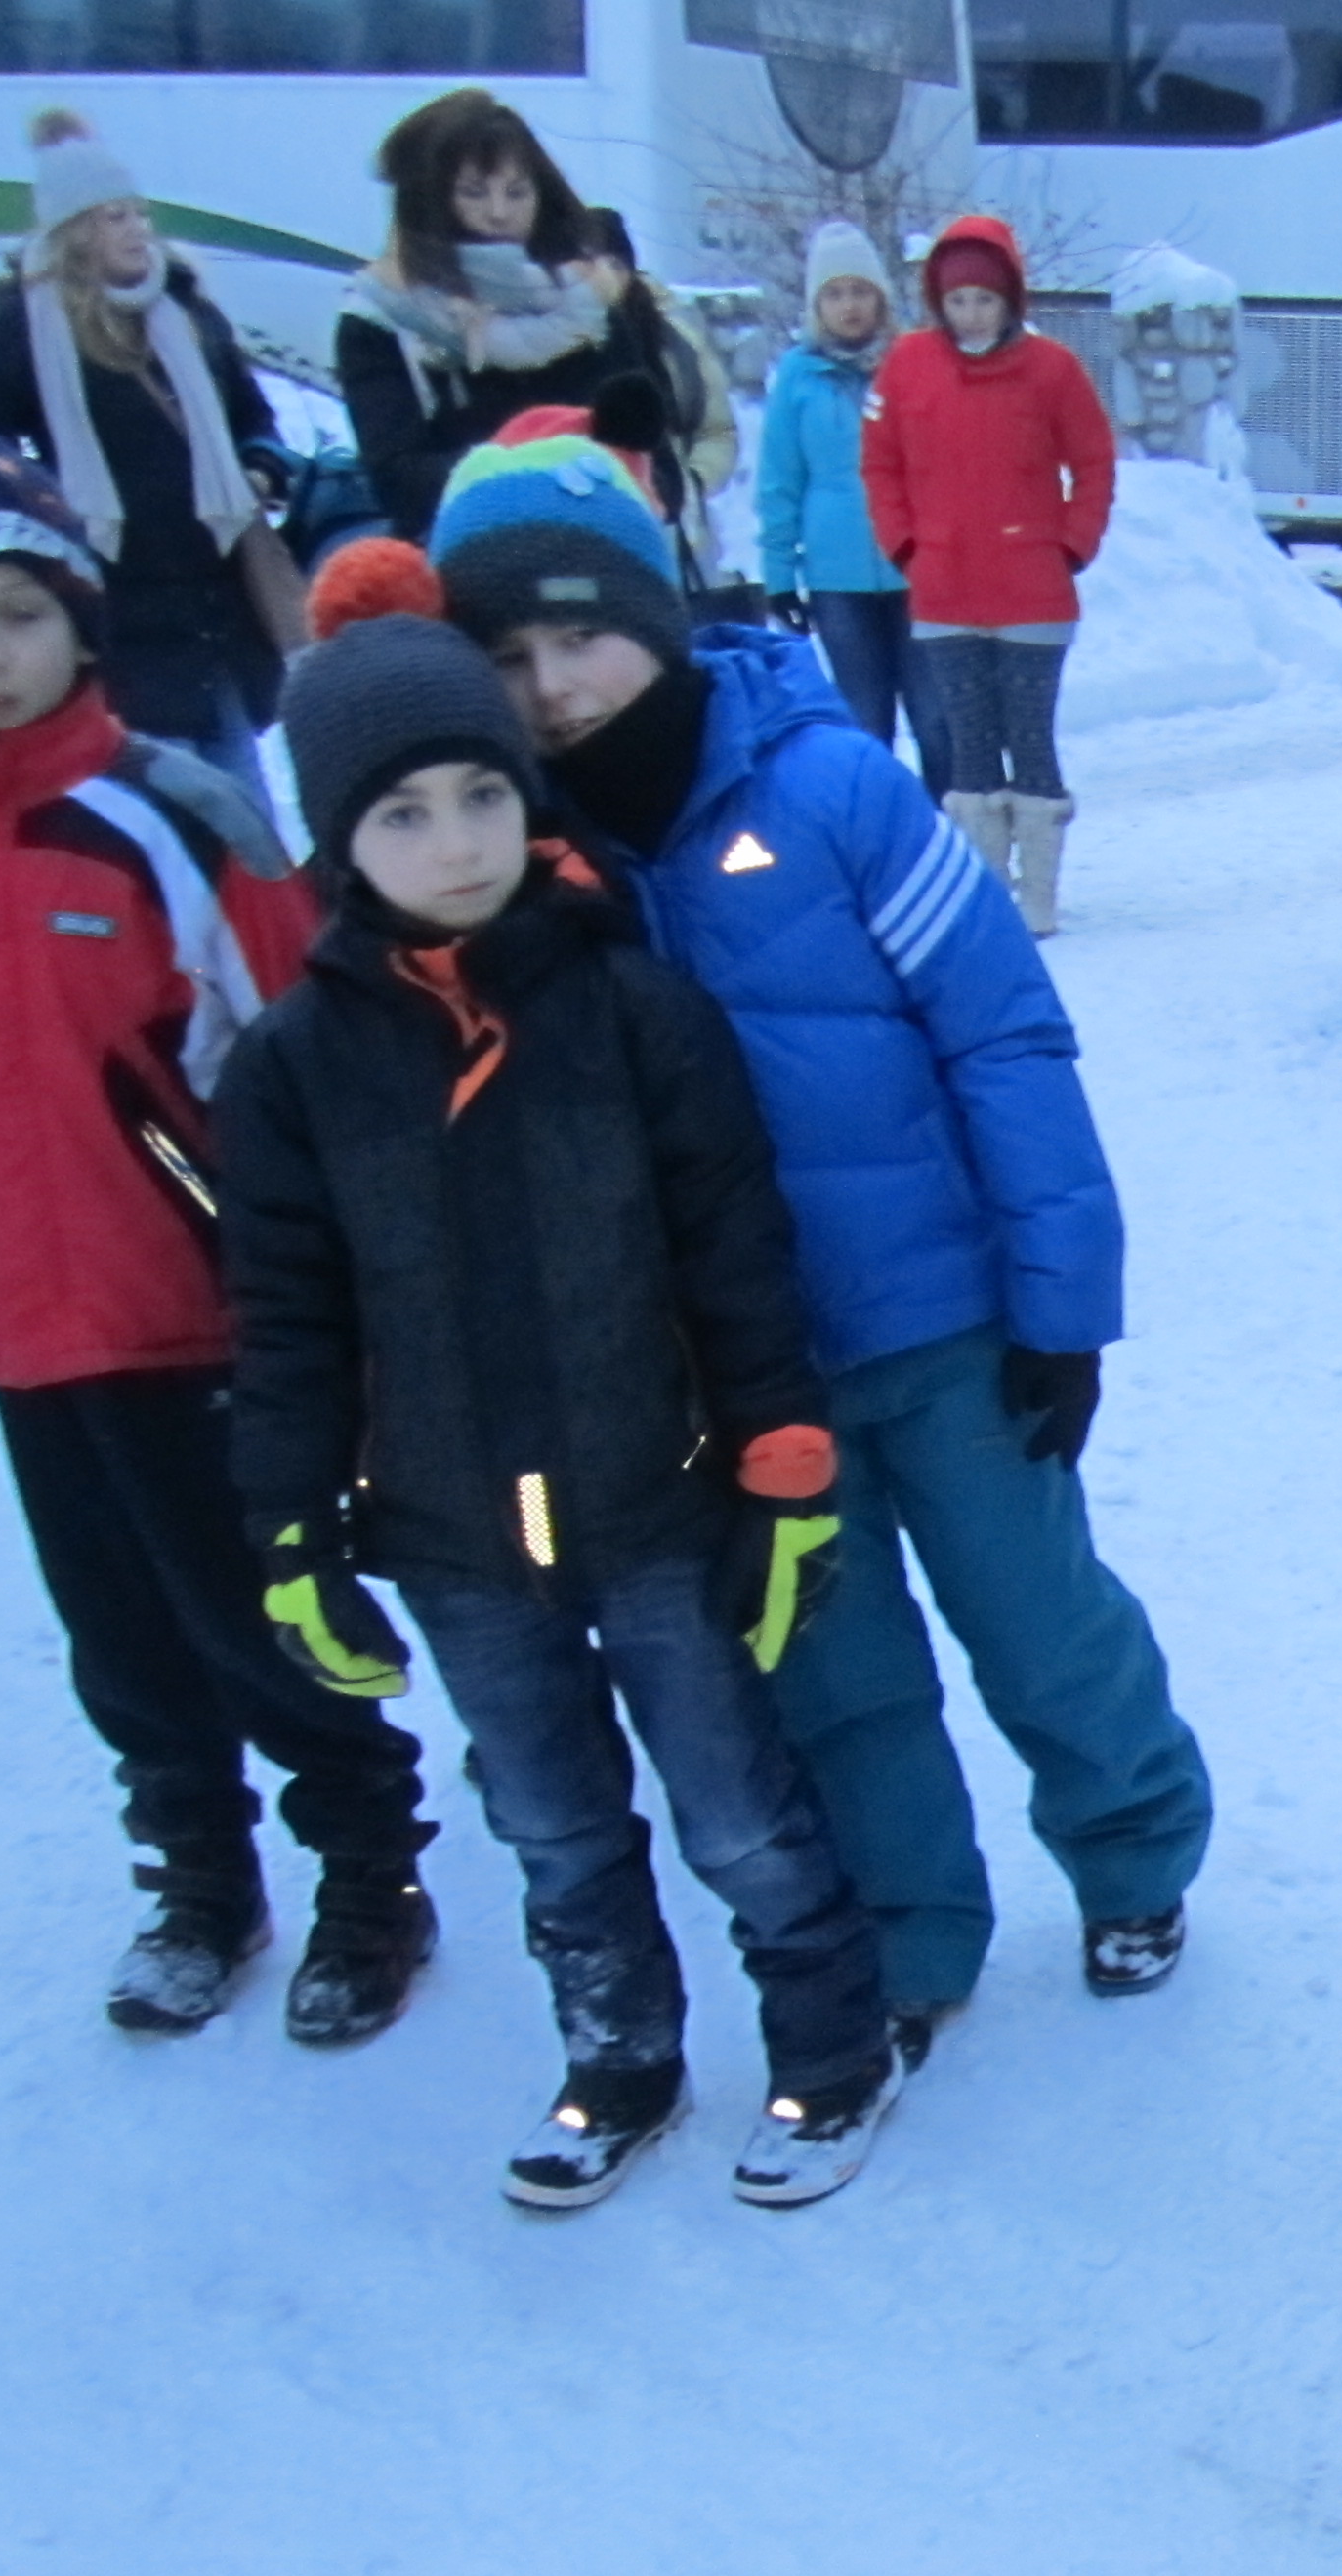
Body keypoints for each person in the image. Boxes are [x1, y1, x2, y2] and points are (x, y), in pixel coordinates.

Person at [334, 413, 1211, 2032]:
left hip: (948, 1326)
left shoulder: (830, 787)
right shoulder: (514, 866)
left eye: (581, 635)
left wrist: (1060, 1301)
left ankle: (1134, 1851)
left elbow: (1001, 1033)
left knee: (1039, 1623)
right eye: (507, 656)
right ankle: (915, 1935)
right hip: (736, 1377)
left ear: (653, 610)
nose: (553, 685)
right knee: (835, 1675)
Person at [217, 606, 895, 2212]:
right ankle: (618, 2057)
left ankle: (828, 2050)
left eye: (481, 794)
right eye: (402, 813)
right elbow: (288, 1326)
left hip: (653, 1504)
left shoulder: (635, 1011)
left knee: (736, 1812)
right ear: (338, 838)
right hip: (453, 1539)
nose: (455, 843)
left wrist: (786, 1469)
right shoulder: (293, 1071)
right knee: (551, 1822)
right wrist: (292, 1532)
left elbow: (735, 1254)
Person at [0, 435, 435, 2040]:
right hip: (25, 1332)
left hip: (207, 1315)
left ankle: (369, 1868)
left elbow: (305, 1058)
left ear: (81, 615)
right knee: (122, 1638)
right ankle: (199, 1879)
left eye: (21, 611)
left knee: (266, 1612)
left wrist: (348, 1291)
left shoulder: (172, 818)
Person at [0, 111, 295, 820]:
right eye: (115, 217)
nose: (138, 230)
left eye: (139, 213)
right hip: (115, 605)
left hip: (215, 605)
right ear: (74, 233)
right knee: (158, 808)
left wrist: (259, 468)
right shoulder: (26, 326)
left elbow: (254, 419)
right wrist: (41, 513)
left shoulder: (185, 311)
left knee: (243, 815)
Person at [860, 212, 1107, 933]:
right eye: (958, 300)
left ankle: (1040, 892)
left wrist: (1071, 545)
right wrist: (905, 545)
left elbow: (1094, 462)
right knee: (966, 743)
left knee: (1029, 738)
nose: (970, 314)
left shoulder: (1052, 369)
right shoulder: (906, 364)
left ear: (1010, 301)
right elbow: (880, 463)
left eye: (985, 300)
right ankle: (987, 887)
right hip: (944, 587)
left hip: (1033, 590)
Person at [332, 89, 671, 545]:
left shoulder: (588, 298)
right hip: (458, 557)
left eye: (517, 192)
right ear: (429, 200)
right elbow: (400, 481)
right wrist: (558, 476)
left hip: (601, 555)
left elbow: (659, 467)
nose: (498, 213)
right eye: (473, 193)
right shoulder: (383, 315)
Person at [757, 220, 938, 767]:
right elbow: (780, 480)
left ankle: (949, 816)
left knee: (937, 719)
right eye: (834, 293)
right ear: (818, 304)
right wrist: (779, 578)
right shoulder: (798, 375)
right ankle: (875, 818)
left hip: (917, 566)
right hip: (836, 578)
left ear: (881, 297)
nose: (850, 305)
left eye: (860, 290)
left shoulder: (915, 363)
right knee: (864, 722)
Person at [578, 202, 738, 592]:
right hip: (585, 529)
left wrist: (692, 481)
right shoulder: (552, 346)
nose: (605, 277)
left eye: (615, 264)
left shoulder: (676, 343)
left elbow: (717, 430)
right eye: (589, 264)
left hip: (676, 533)